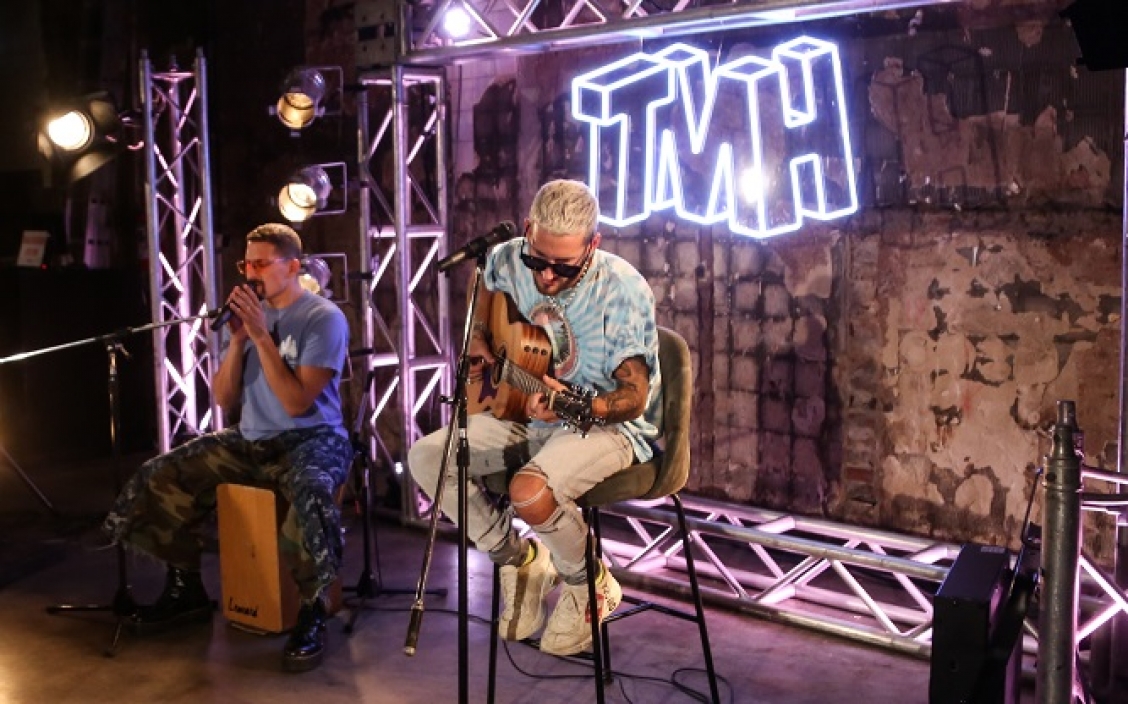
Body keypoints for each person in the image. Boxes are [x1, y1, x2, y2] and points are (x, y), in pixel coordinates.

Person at [408, 179, 661, 656]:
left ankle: (590, 583)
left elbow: (634, 398)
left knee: (529, 491)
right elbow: (483, 287)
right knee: (427, 458)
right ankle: (519, 559)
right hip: (526, 409)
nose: (545, 276)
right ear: (527, 230)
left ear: (593, 244)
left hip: (607, 425)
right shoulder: (507, 257)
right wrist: (480, 339)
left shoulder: (621, 289)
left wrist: (577, 404)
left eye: (563, 266)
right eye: (537, 260)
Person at [103, 223, 352, 673]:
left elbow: (297, 403)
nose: (250, 273)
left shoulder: (322, 318)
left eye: (261, 264)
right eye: (246, 264)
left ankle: (313, 610)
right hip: (252, 436)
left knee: (312, 490)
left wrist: (261, 335)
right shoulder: (244, 321)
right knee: (162, 473)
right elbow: (222, 397)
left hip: (313, 437)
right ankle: (186, 588)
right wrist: (238, 342)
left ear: (292, 267)